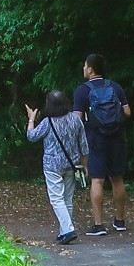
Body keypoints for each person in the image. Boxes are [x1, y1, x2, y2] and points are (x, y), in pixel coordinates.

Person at [74, 54, 132, 235]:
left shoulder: (82, 91)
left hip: (96, 139)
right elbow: (128, 112)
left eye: (85, 66)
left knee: (97, 180)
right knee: (117, 178)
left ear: (90, 69)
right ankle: (120, 221)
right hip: (117, 138)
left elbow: (77, 119)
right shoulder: (115, 87)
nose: (83, 69)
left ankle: (99, 225)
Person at [25, 90, 89, 244]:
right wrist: (85, 166)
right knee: (67, 198)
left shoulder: (48, 122)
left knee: (56, 199)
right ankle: (63, 232)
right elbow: (84, 146)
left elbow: (32, 137)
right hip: (72, 165)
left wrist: (31, 120)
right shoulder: (75, 119)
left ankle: (68, 230)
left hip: (52, 166)